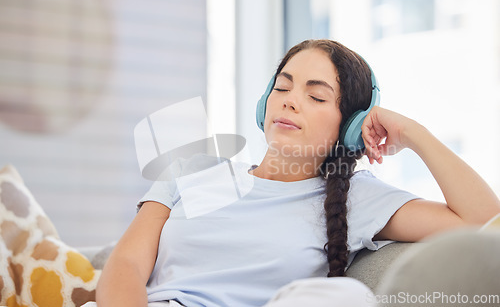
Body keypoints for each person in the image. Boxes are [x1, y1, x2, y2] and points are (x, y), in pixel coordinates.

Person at [91, 39, 500, 306]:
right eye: (282, 88)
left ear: (350, 125)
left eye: (316, 95)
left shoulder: (356, 199)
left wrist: (414, 133)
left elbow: (483, 223)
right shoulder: (194, 170)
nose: (289, 102)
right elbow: (126, 264)